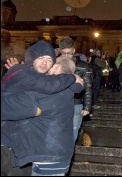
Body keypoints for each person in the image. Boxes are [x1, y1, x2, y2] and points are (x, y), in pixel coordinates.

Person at [1, 41, 83, 176]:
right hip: (50, 154)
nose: (45, 63)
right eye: (40, 58)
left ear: (57, 69)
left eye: (50, 60)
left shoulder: (49, 93)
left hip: (46, 156)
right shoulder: (65, 90)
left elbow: (11, 107)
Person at [58, 37, 93, 142]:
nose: (66, 56)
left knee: (73, 133)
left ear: (73, 51)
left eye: (69, 53)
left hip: (76, 103)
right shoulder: (56, 64)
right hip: (58, 102)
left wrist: (87, 106)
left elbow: (88, 87)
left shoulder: (83, 66)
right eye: (64, 53)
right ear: (60, 51)